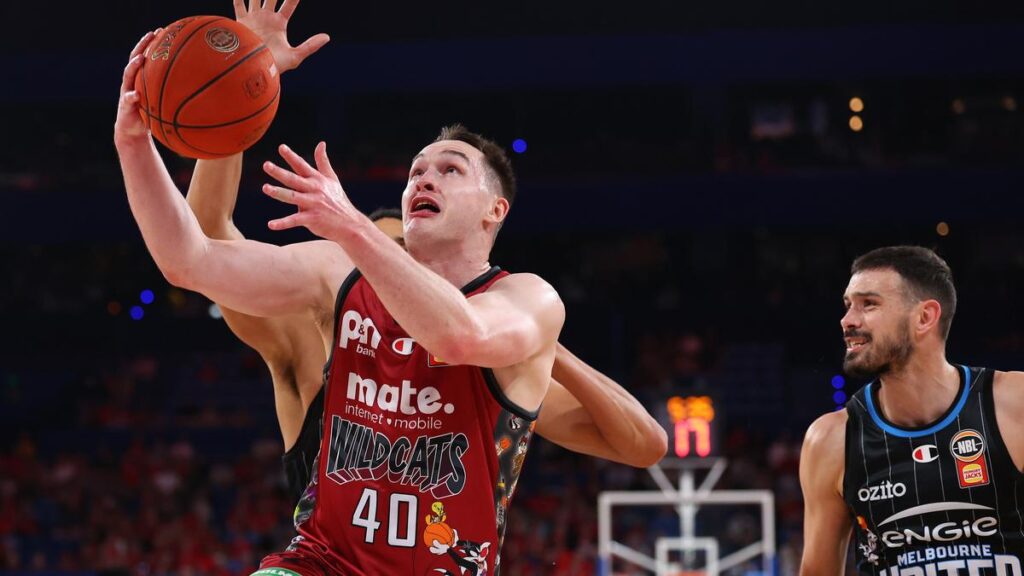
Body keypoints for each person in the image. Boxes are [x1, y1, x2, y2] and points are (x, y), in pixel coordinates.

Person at [116, 28, 660, 573]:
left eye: (450, 169)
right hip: (318, 562)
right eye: (417, 170)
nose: (426, 177)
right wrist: (134, 145)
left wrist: (352, 226)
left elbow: (459, 335)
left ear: (495, 210)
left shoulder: (527, 297)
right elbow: (189, 259)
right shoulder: (338, 274)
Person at [799, 246, 1024, 575]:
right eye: (848, 306)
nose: (847, 320)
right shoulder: (831, 439)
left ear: (924, 317)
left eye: (869, 304)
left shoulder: (1014, 403)